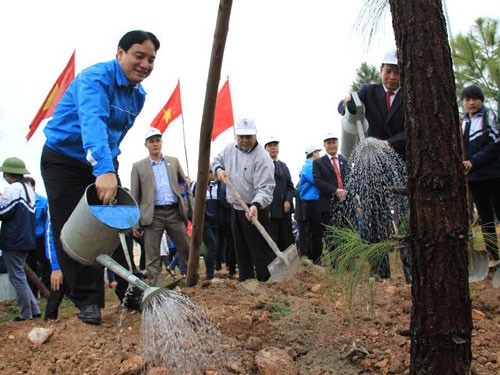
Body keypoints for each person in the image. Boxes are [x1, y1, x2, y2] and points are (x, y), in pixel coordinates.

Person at [41, 30, 160, 324]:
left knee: (117, 219)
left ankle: (130, 291)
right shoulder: (94, 79)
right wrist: (104, 169)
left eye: (152, 59)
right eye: (139, 56)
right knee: (72, 224)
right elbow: (92, 123)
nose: (145, 64)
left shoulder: (139, 96)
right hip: (64, 159)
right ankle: (87, 301)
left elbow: (114, 134)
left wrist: (109, 165)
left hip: (102, 159)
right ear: (120, 53)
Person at [212, 117, 276, 282]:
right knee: (240, 247)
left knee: (259, 248)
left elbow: (266, 188)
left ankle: (266, 281)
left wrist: (256, 204)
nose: (245, 141)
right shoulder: (229, 150)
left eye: (249, 137)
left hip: (255, 208)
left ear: (255, 135)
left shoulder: (263, 158)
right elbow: (216, 161)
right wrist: (218, 170)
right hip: (236, 207)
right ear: (236, 136)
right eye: (241, 137)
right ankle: (246, 280)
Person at [131, 127, 192, 287]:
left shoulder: (173, 162)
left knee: (187, 247)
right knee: (152, 255)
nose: (155, 144)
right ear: (146, 145)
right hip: (152, 216)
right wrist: (135, 222)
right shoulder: (138, 167)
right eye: (151, 141)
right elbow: (135, 197)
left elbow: (185, 186)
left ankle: (193, 282)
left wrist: (189, 209)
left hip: (174, 212)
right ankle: (156, 290)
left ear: (162, 142)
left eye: (157, 140)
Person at [338, 48, 406, 160]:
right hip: (371, 159)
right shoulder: (368, 91)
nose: (392, 77)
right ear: (381, 69)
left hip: (401, 158)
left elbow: (413, 131)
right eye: (388, 71)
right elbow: (344, 107)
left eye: (397, 73)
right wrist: (347, 104)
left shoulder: (410, 97)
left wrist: (389, 143)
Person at [461, 85, 500, 269]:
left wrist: (473, 161)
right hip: (475, 178)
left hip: (493, 174)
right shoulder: (463, 122)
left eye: (474, 99)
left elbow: (495, 143)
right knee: (485, 218)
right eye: (467, 99)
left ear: (481, 100)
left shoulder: (488, 117)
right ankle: (494, 257)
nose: (471, 103)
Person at [0, 157, 41, 321]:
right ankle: (35, 309)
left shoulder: (13, 189)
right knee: (20, 276)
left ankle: (25, 314)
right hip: (26, 239)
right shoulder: (28, 189)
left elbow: (4, 212)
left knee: (16, 277)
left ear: (9, 174)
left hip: (14, 239)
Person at [313, 132, 348, 247]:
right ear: (324, 145)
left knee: (346, 238)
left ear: (337, 144)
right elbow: (318, 181)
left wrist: (346, 192)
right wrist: (335, 190)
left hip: (346, 205)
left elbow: (349, 177)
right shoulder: (318, 162)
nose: (332, 145)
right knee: (331, 239)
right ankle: (336, 264)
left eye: (334, 142)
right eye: (329, 143)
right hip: (327, 206)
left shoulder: (344, 159)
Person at [264, 137, 295, 250]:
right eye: (271, 145)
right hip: (270, 210)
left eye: (275, 145)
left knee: (286, 239)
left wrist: (288, 200)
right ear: (265, 148)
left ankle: (288, 266)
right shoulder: (263, 166)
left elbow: (290, 187)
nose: (274, 148)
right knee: (272, 240)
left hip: (284, 210)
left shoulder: (283, 166)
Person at [24, 177, 52, 296]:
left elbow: (47, 223)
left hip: (40, 239)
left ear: (34, 186)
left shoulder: (43, 202)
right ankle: (33, 295)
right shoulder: (22, 202)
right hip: (26, 240)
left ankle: (49, 292)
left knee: (46, 266)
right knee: (29, 267)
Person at [192, 170, 219, 280]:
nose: (214, 176)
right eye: (212, 173)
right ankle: (209, 274)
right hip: (202, 221)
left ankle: (210, 273)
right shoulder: (196, 185)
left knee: (214, 246)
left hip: (214, 220)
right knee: (211, 245)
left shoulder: (215, 186)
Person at [299, 145, 323, 263]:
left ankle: (316, 257)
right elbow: (317, 180)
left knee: (317, 230)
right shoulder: (309, 166)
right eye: (318, 152)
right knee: (314, 230)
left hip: (315, 201)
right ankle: (314, 258)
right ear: (313, 153)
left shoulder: (310, 165)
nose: (319, 155)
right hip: (311, 201)